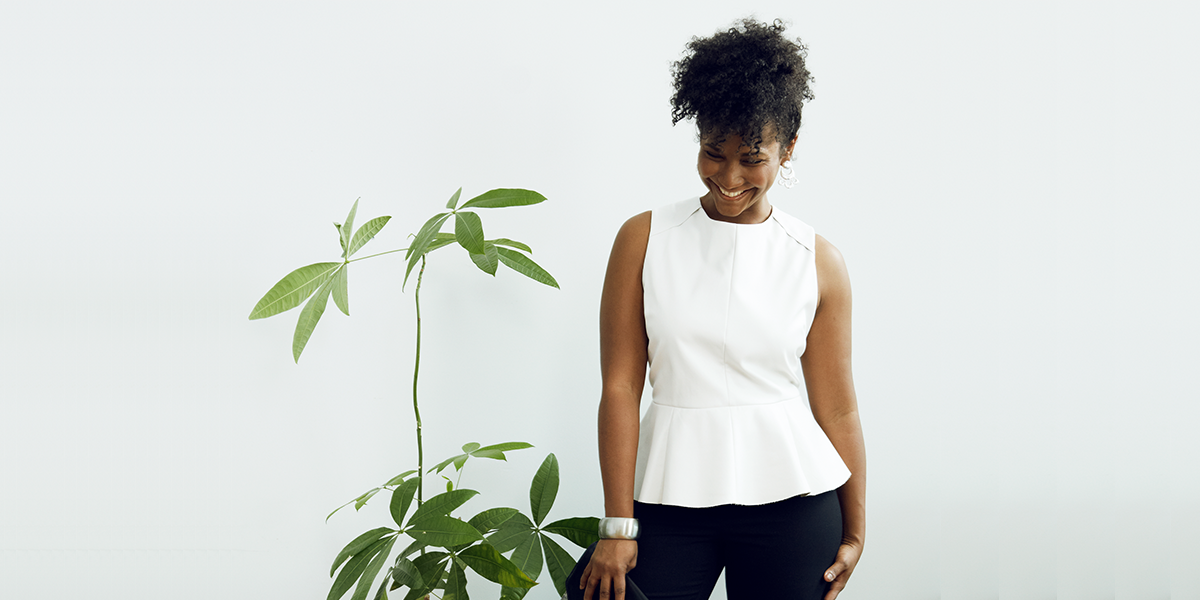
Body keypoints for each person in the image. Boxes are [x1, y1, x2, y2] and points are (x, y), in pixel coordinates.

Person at [577, 18, 866, 600]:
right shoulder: (643, 238)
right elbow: (619, 388)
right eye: (714, 152)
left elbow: (837, 410)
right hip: (669, 496)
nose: (728, 178)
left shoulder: (818, 259)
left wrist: (857, 528)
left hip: (795, 503)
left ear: (788, 149)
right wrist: (616, 524)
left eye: (753, 159)